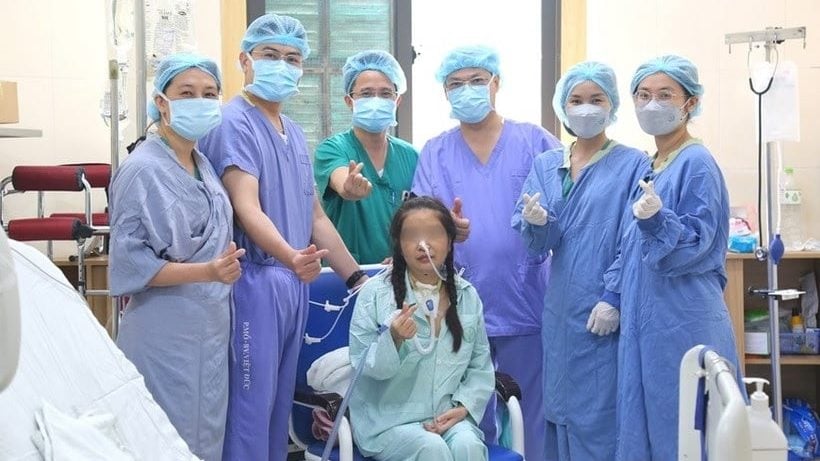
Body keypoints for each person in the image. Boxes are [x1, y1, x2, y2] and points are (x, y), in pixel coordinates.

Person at [197, 13, 366, 461]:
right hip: (254, 282)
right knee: (250, 410)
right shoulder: (234, 122)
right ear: (245, 60)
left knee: (277, 413)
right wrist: (290, 256)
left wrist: (356, 280)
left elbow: (315, 216)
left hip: (293, 282)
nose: (282, 65)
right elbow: (246, 206)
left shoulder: (292, 130)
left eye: (292, 58)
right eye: (270, 55)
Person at [412, 44, 560, 461]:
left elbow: (566, 202)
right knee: (467, 415)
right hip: (460, 306)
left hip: (525, 299)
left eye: (477, 80)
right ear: (445, 92)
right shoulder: (435, 151)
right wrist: (445, 228)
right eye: (456, 84)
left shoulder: (534, 141)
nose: (467, 89)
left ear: (497, 83)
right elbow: (418, 225)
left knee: (532, 412)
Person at [511, 61, 650, 461]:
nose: (585, 108)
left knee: (600, 414)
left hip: (603, 306)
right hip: (560, 309)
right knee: (559, 409)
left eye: (596, 99)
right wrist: (538, 224)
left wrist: (613, 296)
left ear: (612, 105)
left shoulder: (633, 164)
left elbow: (634, 240)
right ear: (562, 106)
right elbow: (537, 246)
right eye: (576, 100)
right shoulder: (546, 165)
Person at [109, 53, 244, 461]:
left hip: (210, 331)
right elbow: (131, 264)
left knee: (204, 439)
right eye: (187, 93)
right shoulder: (141, 170)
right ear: (162, 102)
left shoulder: (203, 165)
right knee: (160, 440)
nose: (200, 101)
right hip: (164, 331)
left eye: (210, 93)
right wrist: (207, 271)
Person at [613, 55, 741, 461]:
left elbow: (696, 245)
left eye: (665, 95)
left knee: (689, 430)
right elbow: (632, 249)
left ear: (690, 103)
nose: (652, 104)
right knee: (655, 428)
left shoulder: (696, 163)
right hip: (650, 323)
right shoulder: (653, 165)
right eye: (643, 95)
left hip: (683, 321)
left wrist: (658, 223)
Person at [349, 196, 494, 461]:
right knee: (431, 449)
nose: (422, 244)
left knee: (468, 446)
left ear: (449, 242)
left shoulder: (467, 296)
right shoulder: (374, 294)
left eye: (433, 234)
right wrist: (393, 339)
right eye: (412, 235)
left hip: (445, 414)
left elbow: (480, 366)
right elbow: (363, 366)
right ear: (398, 244)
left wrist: (464, 407)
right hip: (388, 422)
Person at [314, 50, 418, 264]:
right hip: (344, 274)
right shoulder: (333, 149)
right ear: (349, 100)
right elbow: (342, 180)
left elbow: (422, 217)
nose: (376, 100)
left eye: (385, 93)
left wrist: (405, 255)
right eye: (367, 93)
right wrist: (348, 187)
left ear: (397, 100)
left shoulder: (412, 156)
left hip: (398, 272)